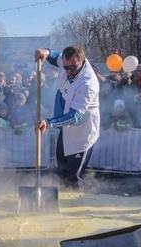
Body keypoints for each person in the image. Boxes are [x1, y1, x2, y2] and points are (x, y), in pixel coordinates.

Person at [35, 45, 100, 189]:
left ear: (82, 62)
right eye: (66, 68)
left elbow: (74, 116)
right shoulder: (67, 62)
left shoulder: (88, 83)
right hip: (65, 130)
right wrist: (46, 52)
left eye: (73, 68)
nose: (69, 71)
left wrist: (49, 122)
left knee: (73, 175)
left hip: (82, 131)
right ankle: (61, 199)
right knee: (61, 169)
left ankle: (76, 204)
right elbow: (55, 56)